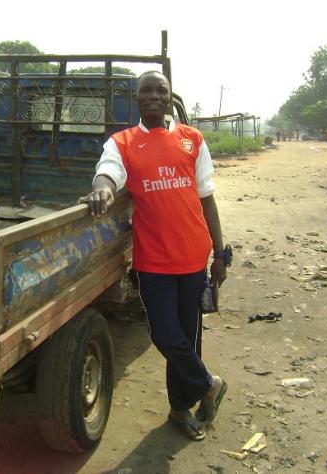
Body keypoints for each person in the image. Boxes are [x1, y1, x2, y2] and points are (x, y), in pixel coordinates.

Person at [83, 71, 228, 441]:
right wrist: (102, 188)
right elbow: (108, 172)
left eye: (160, 90)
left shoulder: (192, 140)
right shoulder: (124, 142)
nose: (153, 95)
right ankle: (209, 384)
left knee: (188, 339)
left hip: (193, 258)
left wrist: (220, 253)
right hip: (153, 262)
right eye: (146, 90)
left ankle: (180, 409)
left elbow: (207, 198)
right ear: (137, 97)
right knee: (165, 335)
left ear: (169, 96)